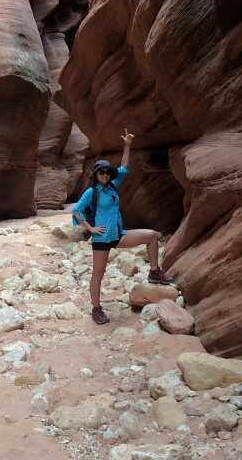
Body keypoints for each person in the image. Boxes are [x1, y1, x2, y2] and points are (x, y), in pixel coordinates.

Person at [73, 129, 173, 325]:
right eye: (101, 172)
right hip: (102, 239)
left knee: (152, 235)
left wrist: (127, 145)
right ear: (96, 174)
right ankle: (96, 308)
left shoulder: (112, 186)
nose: (105, 175)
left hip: (118, 235)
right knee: (98, 274)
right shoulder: (91, 192)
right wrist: (90, 229)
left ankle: (154, 271)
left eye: (107, 172)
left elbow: (124, 166)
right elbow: (76, 211)